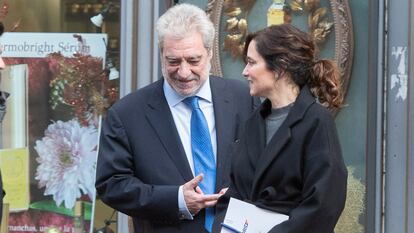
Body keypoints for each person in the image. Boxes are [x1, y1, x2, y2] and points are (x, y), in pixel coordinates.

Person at [95, 3, 258, 233]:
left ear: (210, 53)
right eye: (173, 61)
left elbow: (264, 166)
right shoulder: (127, 114)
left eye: (193, 60)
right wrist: (177, 200)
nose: (183, 72)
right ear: (161, 54)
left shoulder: (244, 98)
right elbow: (112, 185)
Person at [213, 24, 348, 233]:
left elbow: (323, 205)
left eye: (251, 62)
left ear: (280, 68)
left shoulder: (317, 122)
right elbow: (233, 192)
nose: (245, 72)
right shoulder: (253, 122)